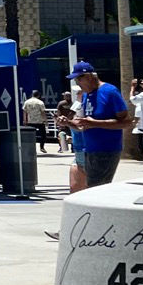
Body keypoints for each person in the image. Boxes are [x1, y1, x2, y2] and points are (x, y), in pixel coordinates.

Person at [55, 62, 131, 191]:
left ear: (89, 76)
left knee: (96, 190)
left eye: (79, 78)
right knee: (90, 189)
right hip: (89, 149)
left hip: (106, 150)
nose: (77, 83)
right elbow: (84, 125)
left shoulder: (109, 92)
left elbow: (126, 122)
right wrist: (68, 123)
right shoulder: (86, 95)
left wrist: (95, 123)